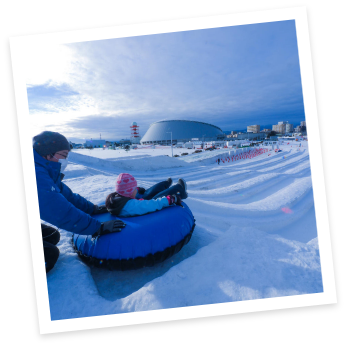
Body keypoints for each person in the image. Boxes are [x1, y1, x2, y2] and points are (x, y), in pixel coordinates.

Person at [33, 131, 126, 273]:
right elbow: (57, 208)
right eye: (63, 155)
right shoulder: (35, 173)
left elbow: (67, 196)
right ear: (48, 153)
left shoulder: (45, 169)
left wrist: (92, 208)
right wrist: (97, 228)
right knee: (49, 254)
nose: (65, 160)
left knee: (52, 236)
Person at [105, 173, 188, 217]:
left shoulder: (116, 198)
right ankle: (180, 189)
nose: (135, 189)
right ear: (129, 191)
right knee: (156, 199)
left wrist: (136, 190)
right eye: (134, 188)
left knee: (145, 193)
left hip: (135, 201)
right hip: (142, 207)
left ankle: (165, 184)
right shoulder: (131, 206)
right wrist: (170, 200)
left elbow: (126, 192)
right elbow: (153, 205)